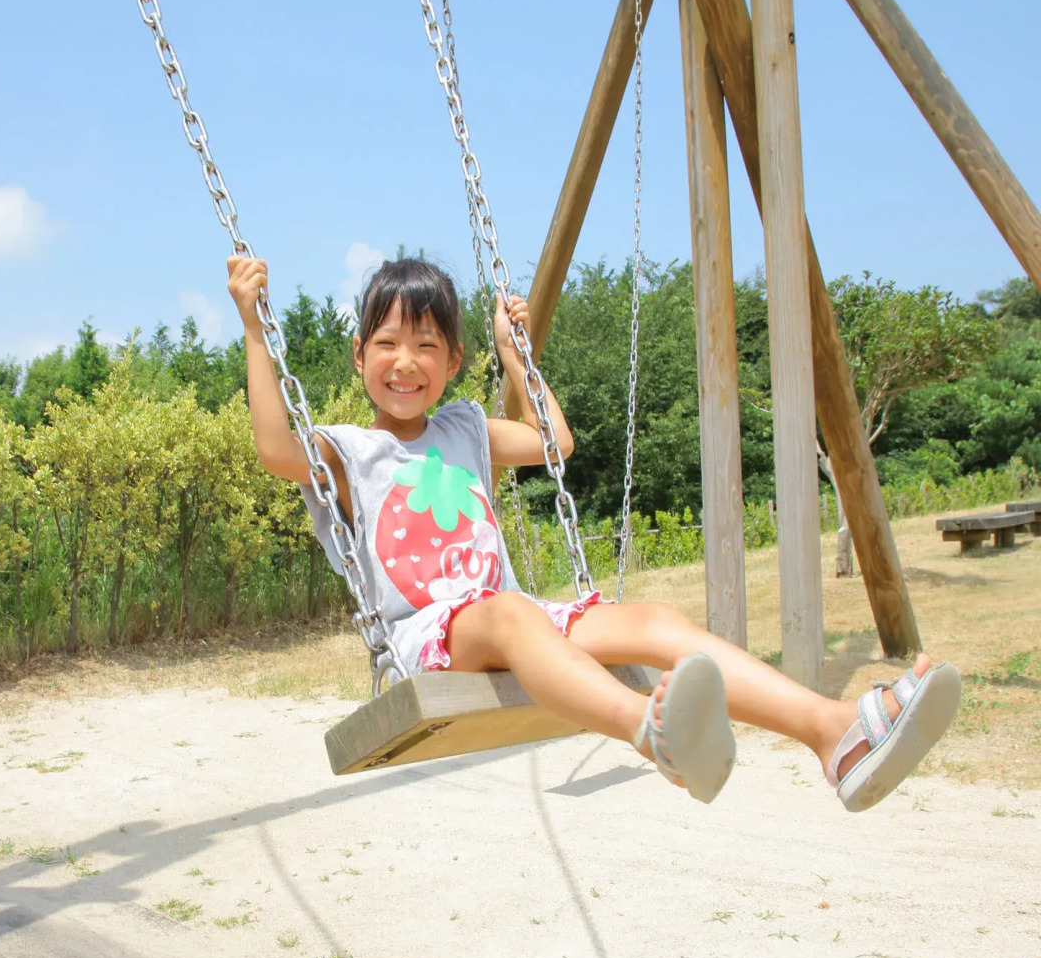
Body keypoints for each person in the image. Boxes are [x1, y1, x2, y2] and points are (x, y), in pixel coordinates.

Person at [227, 254, 960, 810]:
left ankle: (835, 732)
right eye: (387, 343)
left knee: (651, 620)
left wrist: (518, 360)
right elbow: (271, 449)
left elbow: (557, 443)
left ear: (452, 362)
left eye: (427, 345)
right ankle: (650, 730)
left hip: (514, 620)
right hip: (429, 636)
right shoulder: (348, 451)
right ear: (360, 357)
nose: (405, 361)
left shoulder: (465, 427)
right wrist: (257, 333)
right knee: (512, 611)